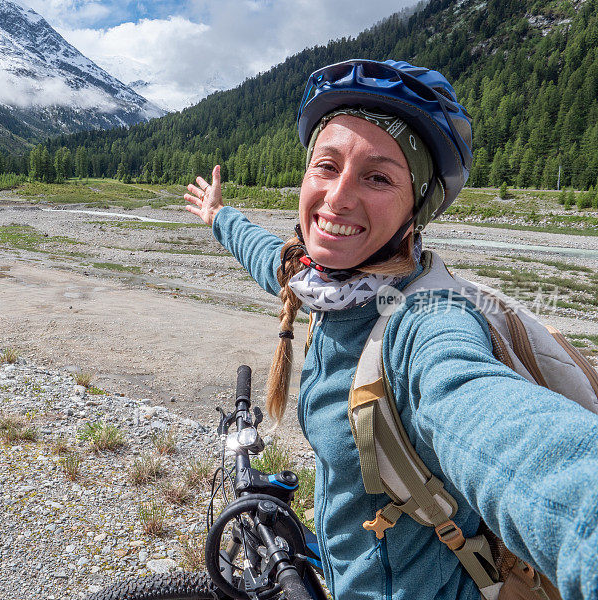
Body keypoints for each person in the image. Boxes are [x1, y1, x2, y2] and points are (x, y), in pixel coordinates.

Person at [184, 59, 598, 600]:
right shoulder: (321, 283)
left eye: (377, 177)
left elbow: (499, 428)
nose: (337, 198)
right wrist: (219, 217)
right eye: (326, 166)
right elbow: (271, 257)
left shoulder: (426, 321)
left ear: (414, 209)